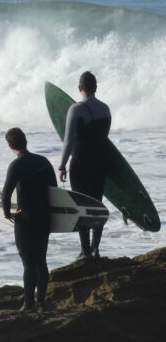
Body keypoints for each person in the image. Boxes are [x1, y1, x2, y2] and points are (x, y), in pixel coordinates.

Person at [2, 127, 57, 313]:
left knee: (28, 263)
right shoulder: (43, 161)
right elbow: (55, 191)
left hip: (25, 219)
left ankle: (28, 304)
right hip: (44, 217)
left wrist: (7, 214)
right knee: (41, 260)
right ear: (25, 141)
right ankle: (41, 302)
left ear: (10, 145)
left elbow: (6, 194)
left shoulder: (16, 165)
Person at [58, 71, 112, 261]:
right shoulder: (106, 109)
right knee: (97, 205)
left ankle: (85, 251)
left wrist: (62, 165)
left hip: (81, 163)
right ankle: (96, 248)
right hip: (102, 162)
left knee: (80, 205)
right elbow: (104, 139)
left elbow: (68, 141)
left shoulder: (76, 109)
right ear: (95, 88)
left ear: (80, 88)